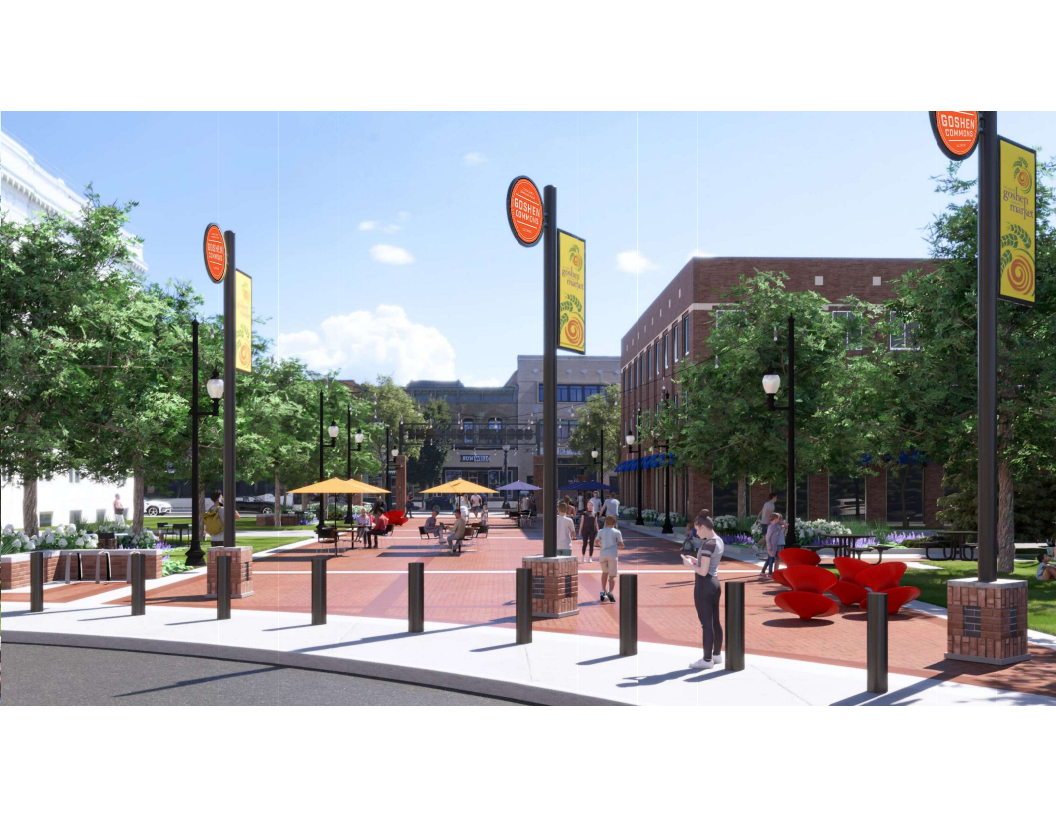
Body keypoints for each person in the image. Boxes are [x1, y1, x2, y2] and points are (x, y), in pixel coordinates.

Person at [681, 514, 725, 670]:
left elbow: (702, 571)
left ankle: (706, 660)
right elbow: (709, 565)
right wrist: (696, 561)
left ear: (704, 527)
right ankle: (717, 655)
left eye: (697, 529)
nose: (696, 533)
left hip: (704, 585)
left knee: (706, 623)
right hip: (715, 583)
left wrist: (689, 564)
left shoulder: (708, 545)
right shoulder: (718, 541)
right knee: (715, 621)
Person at [597, 515, 625, 602]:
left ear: (605, 522)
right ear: (615, 523)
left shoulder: (601, 531)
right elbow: (620, 543)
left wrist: (601, 546)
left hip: (603, 554)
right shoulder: (617, 532)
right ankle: (610, 592)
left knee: (604, 573)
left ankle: (603, 591)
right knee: (612, 575)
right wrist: (621, 546)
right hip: (612, 554)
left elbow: (596, 541)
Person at [762, 512, 785, 578]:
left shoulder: (774, 526)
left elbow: (777, 534)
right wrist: (769, 547)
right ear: (774, 519)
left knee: (770, 559)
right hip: (771, 546)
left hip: (774, 546)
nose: (779, 520)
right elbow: (767, 538)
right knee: (771, 560)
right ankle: (770, 574)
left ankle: (763, 572)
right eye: (778, 519)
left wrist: (781, 529)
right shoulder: (771, 527)